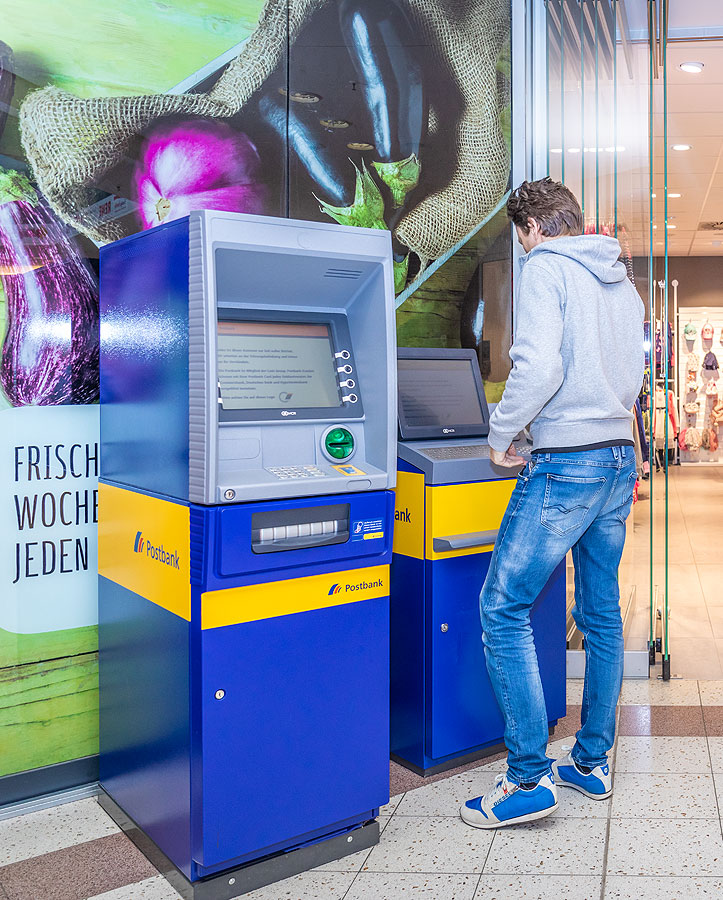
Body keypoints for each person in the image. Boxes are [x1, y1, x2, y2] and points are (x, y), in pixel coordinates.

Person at [460, 177, 644, 829]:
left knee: (501, 607)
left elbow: (537, 369)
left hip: (564, 461)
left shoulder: (544, 268)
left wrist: (500, 433)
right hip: (616, 458)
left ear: (531, 229)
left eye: (519, 237)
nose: (521, 246)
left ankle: (528, 777)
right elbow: (631, 376)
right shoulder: (618, 280)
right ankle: (589, 763)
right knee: (599, 614)